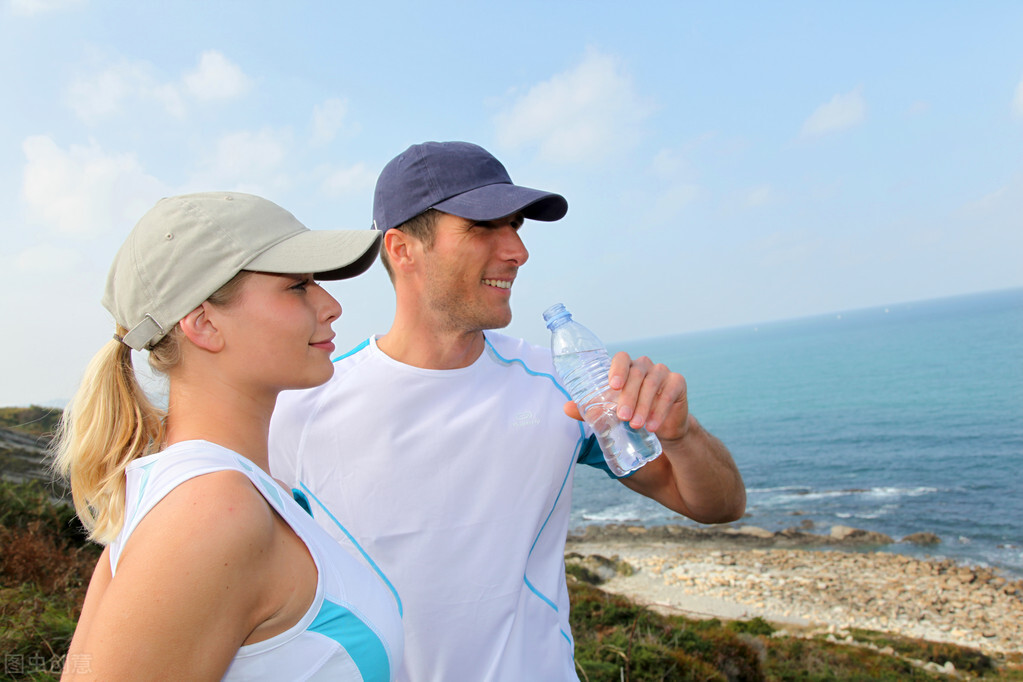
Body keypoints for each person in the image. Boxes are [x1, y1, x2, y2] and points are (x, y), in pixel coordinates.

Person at [268, 142, 746, 681]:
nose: (517, 250)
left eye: (515, 226)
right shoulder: (298, 411)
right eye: (483, 227)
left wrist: (683, 437)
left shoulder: (559, 386)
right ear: (402, 249)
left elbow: (717, 504)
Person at [53, 192, 403, 681]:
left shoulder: (212, 495)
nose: (332, 305)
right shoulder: (214, 511)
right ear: (203, 323)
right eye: (298, 286)